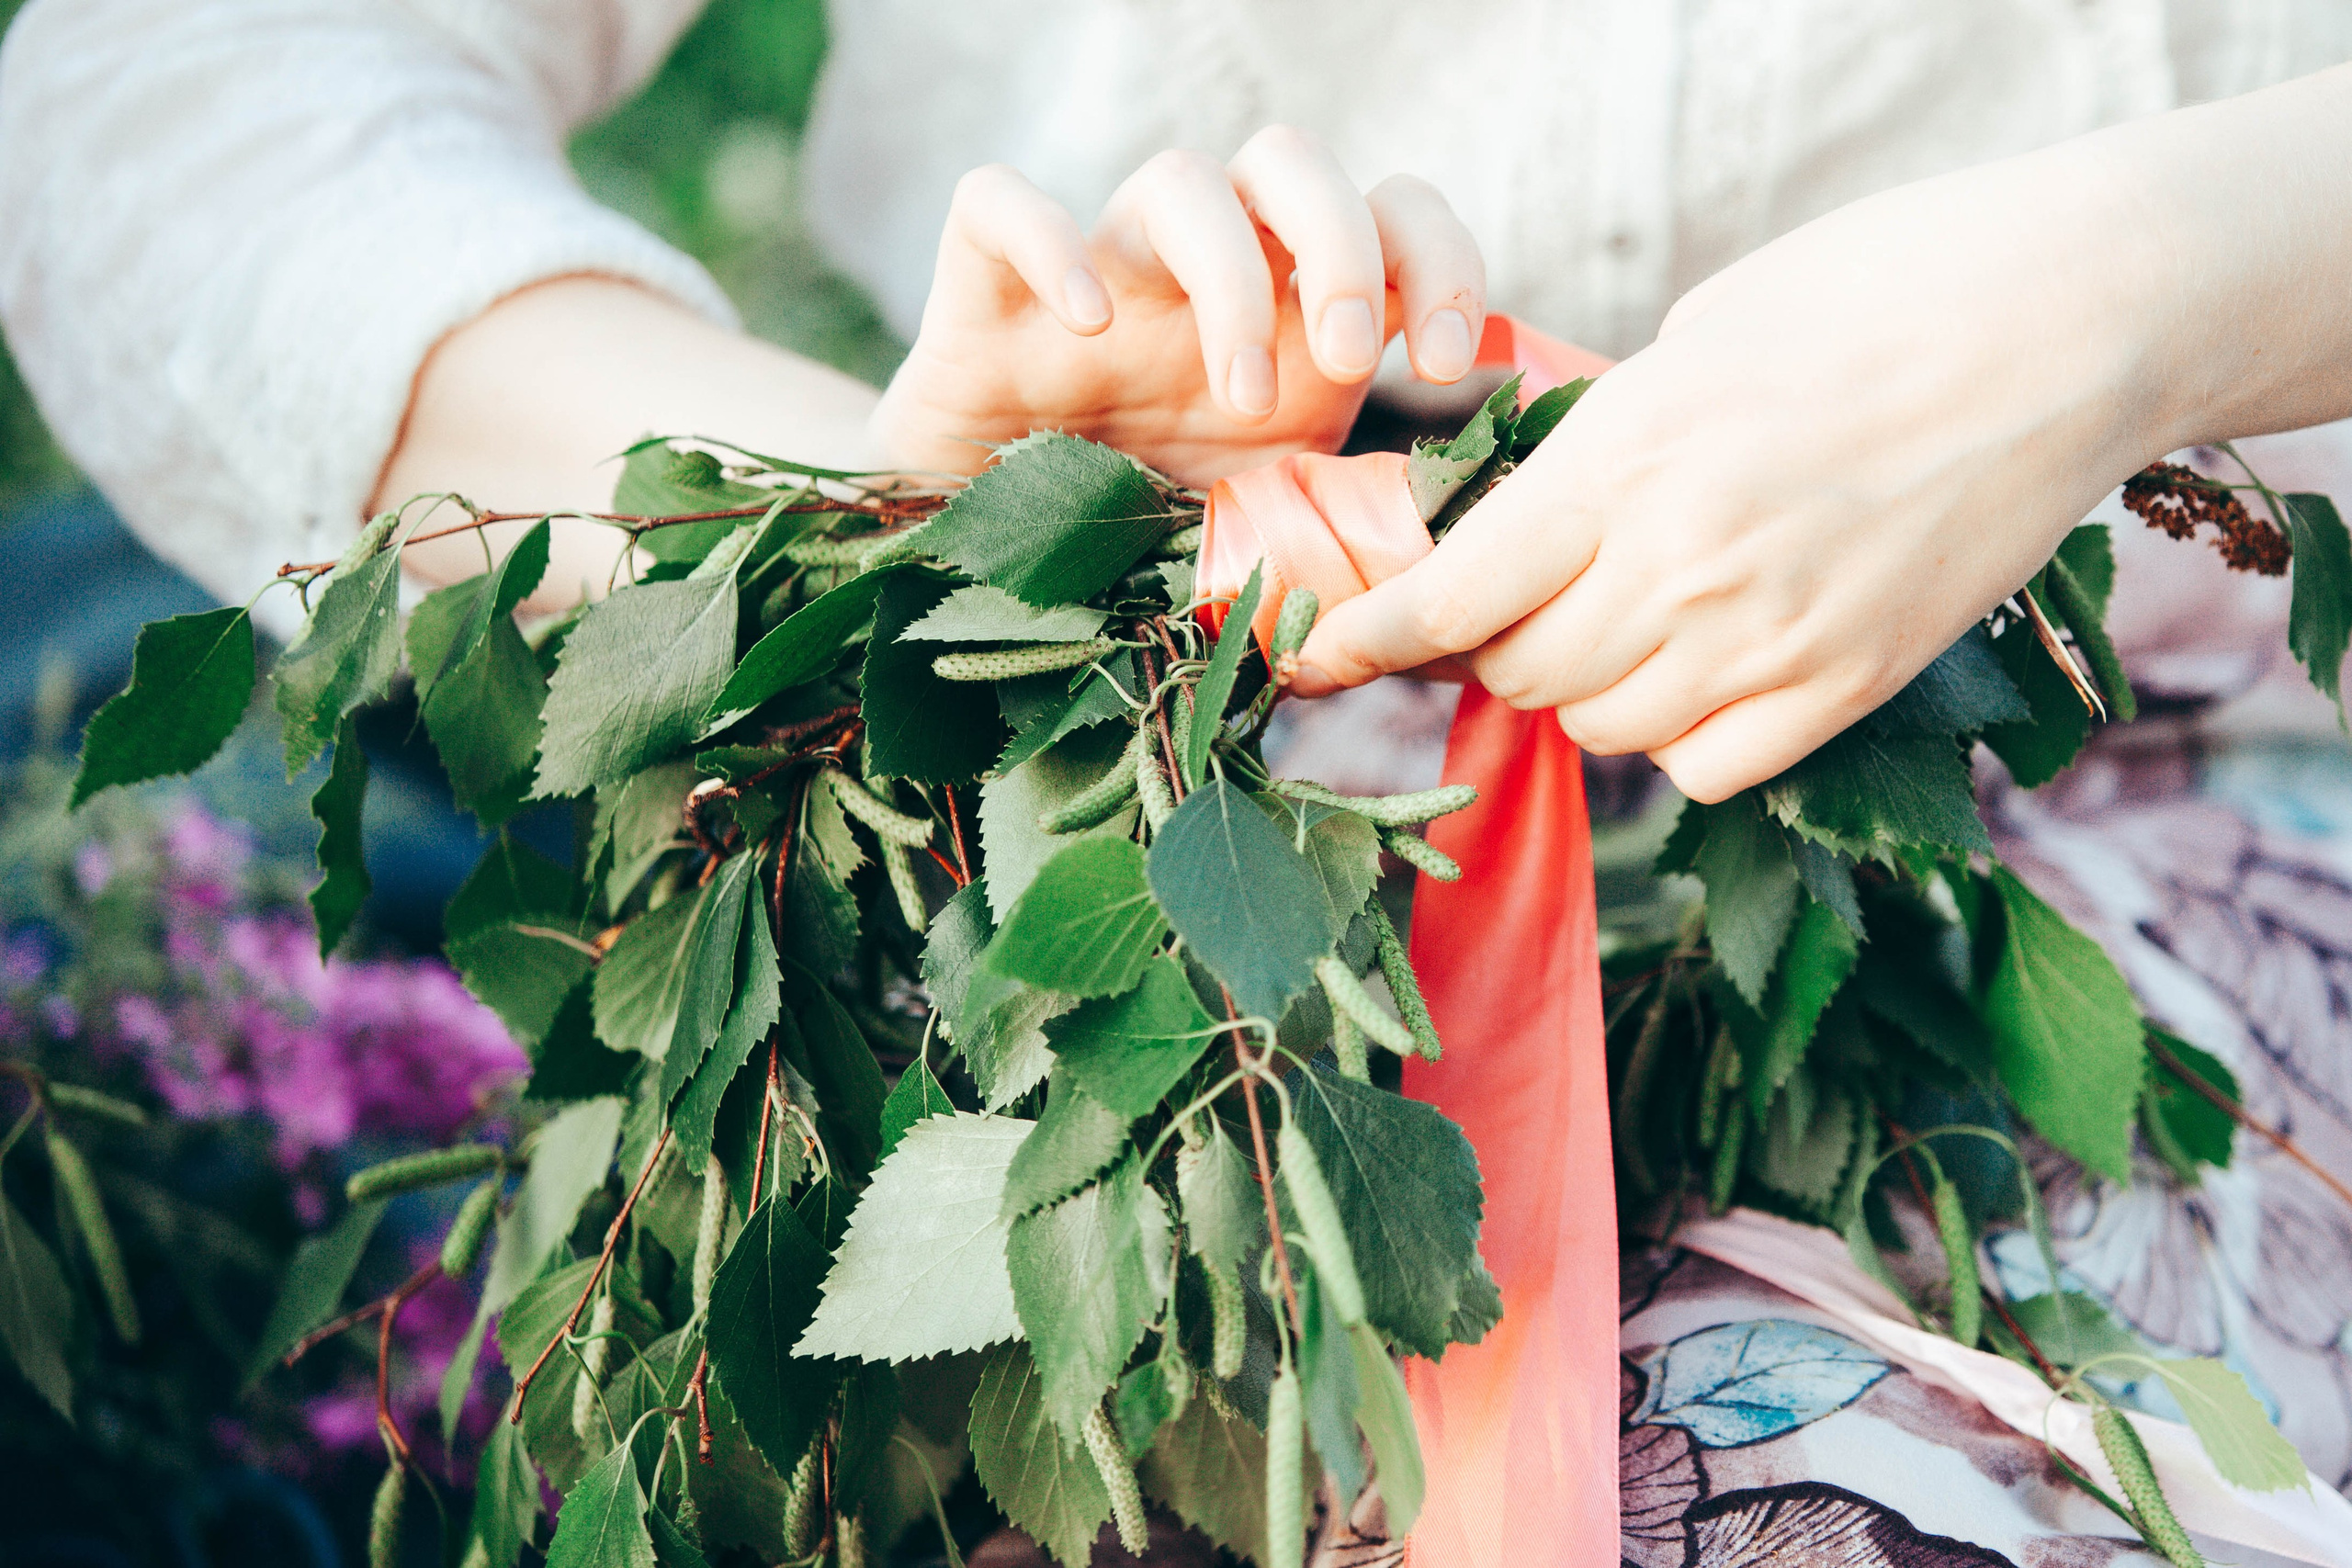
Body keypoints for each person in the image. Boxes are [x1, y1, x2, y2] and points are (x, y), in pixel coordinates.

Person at [6, 3, 2352, 1563]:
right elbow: (175, 89)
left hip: (2126, 784)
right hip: (1105, 810)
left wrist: (2124, 289)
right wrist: (888, 525)